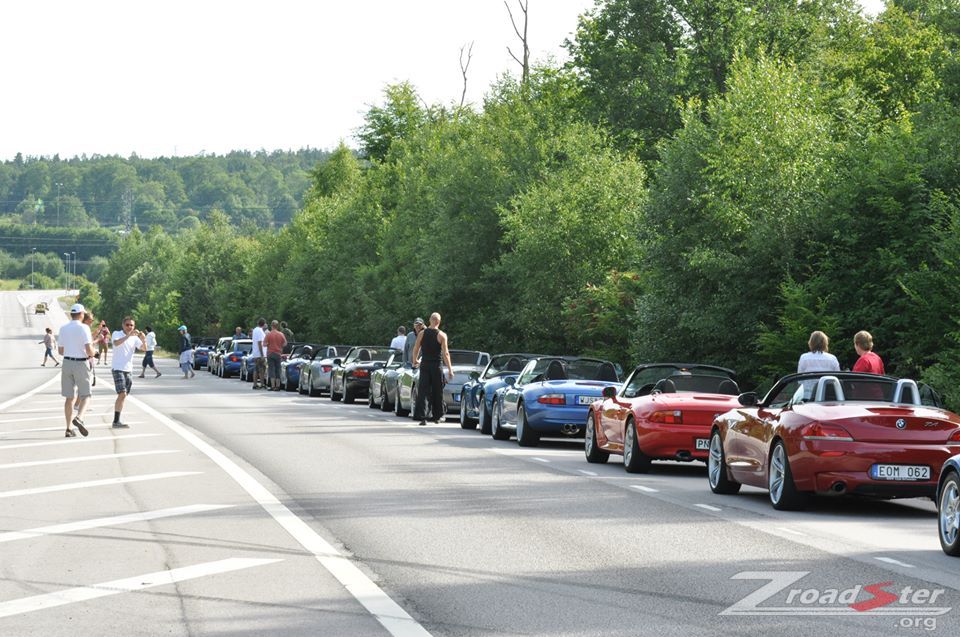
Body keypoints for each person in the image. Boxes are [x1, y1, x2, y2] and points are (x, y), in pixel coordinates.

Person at [58, 303, 95, 437]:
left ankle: (68, 428)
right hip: (80, 363)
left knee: (69, 397)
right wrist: (94, 353)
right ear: (81, 314)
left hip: (67, 362)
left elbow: (61, 351)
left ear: (71, 314)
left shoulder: (63, 328)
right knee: (86, 395)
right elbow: (89, 350)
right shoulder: (84, 328)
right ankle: (79, 417)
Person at [411, 312, 454, 426]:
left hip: (425, 364)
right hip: (436, 365)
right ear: (439, 322)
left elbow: (416, 348)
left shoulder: (422, 333)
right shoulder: (442, 335)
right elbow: (445, 353)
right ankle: (437, 416)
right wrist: (450, 369)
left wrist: (415, 360)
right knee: (437, 390)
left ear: (430, 320)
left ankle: (423, 417)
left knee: (423, 390)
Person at [111, 317, 147, 428]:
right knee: (122, 393)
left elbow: (144, 349)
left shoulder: (135, 338)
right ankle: (116, 421)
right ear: (123, 325)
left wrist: (143, 339)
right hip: (118, 368)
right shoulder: (117, 333)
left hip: (128, 369)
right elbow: (116, 343)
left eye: (131, 325)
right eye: (127, 325)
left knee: (124, 395)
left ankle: (117, 421)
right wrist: (128, 336)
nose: (129, 327)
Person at [263, 320, 288, 391]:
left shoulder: (269, 334)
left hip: (270, 353)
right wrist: (280, 346)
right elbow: (285, 343)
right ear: (277, 326)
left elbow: (264, 344)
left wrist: (269, 344)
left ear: (271, 326)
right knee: (278, 369)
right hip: (278, 353)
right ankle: (278, 386)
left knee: (271, 369)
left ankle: (273, 386)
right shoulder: (281, 334)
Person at [251, 318, 267, 389]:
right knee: (261, 369)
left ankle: (255, 384)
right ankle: (262, 384)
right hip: (259, 354)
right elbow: (260, 343)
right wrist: (262, 354)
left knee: (256, 369)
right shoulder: (260, 331)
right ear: (264, 324)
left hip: (255, 353)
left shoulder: (255, 330)